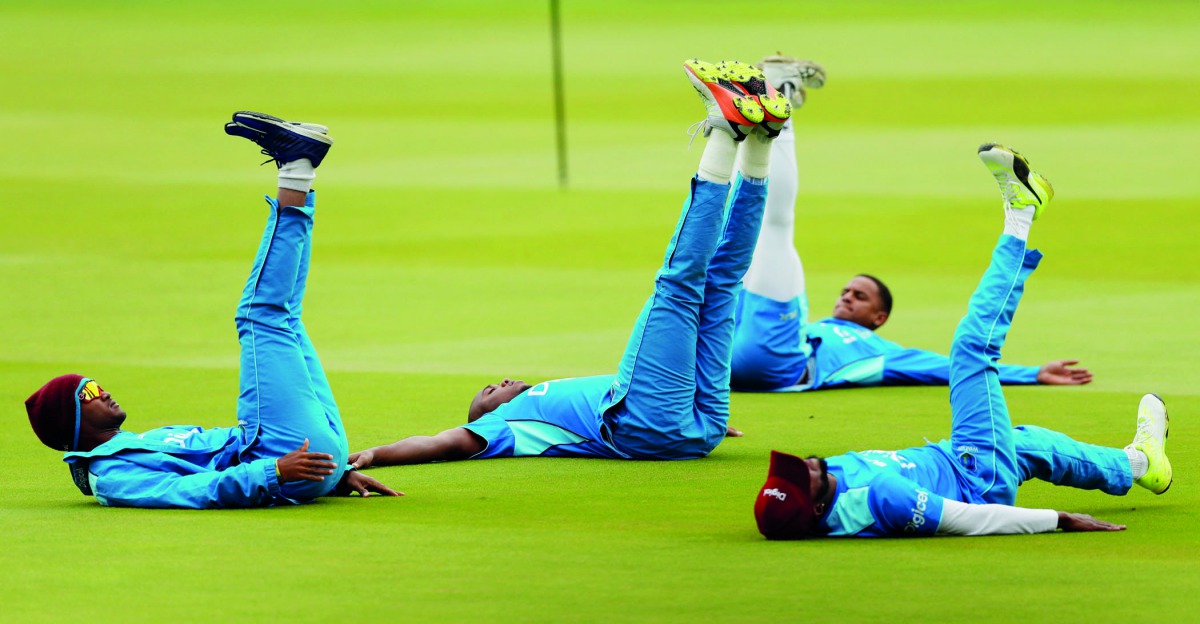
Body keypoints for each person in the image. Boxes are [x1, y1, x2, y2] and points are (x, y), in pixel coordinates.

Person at [350, 59, 789, 469]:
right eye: (487, 391)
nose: (499, 380)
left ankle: (762, 138)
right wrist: (374, 455)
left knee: (722, 282)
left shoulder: (554, 398)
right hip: (649, 426)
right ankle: (725, 130)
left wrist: (684, 409)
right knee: (678, 284)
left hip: (697, 425)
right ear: (482, 415)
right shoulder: (502, 426)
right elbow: (439, 443)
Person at [753, 144, 1172, 538]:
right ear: (814, 508)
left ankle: (1140, 464)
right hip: (977, 477)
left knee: (1026, 442)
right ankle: (1020, 214)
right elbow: (968, 518)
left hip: (957, 458)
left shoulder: (829, 497)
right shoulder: (880, 498)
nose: (806, 464)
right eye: (802, 476)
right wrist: (1058, 519)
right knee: (972, 349)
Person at [24, 111, 399, 508]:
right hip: (276, 464)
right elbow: (193, 492)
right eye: (91, 393)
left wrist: (336, 474)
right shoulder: (112, 478)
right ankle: (296, 166)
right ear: (73, 421)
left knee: (284, 316)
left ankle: (300, 168)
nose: (106, 392)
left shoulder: (144, 441)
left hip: (309, 458)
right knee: (260, 315)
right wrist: (274, 472)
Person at [729, 55, 1092, 392]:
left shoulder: (880, 350)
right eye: (848, 291)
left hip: (773, 364)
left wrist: (1033, 374)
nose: (847, 297)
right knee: (740, 238)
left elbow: (946, 367)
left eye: (860, 296)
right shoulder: (816, 329)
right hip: (726, 356)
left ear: (879, 317)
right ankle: (755, 114)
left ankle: (766, 106)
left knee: (768, 233)